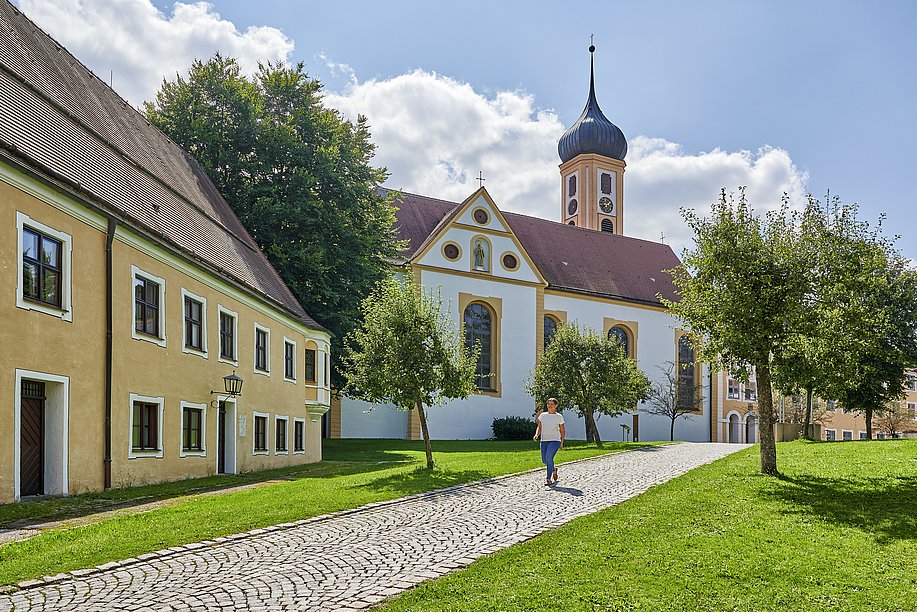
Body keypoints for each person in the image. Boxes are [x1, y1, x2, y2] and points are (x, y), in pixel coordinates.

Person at [533, 397, 565, 486]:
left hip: (555, 441)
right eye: (548, 404)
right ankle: (554, 469)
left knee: (549, 458)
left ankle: (548, 478)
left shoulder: (559, 417)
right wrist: (536, 435)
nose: (549, 406)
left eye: (551, 404)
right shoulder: (543, 415)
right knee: (544, 460)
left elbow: (562, 431)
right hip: (544, 441)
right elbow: (539, 427)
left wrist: (561, 442)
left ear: (556, 406)